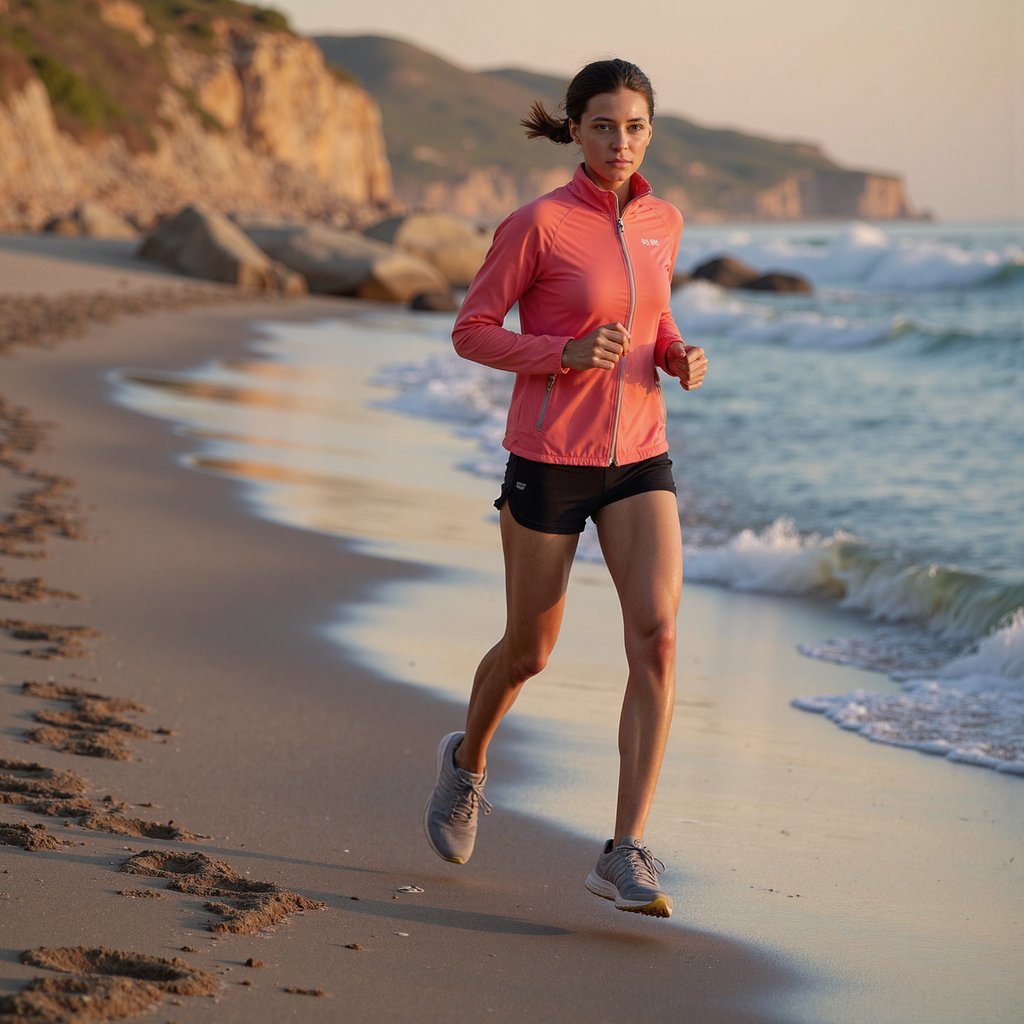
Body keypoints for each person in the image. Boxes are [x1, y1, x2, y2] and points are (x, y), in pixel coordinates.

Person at [423, 58, 707, 919]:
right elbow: (471, 332)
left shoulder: (665, 221)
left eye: (635, 127)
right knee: (529, 652)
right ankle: (467, 762)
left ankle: (625, 851)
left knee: (657, 638)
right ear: (575, 131)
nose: (620, 142)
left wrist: (673, 354)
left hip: (640, 456)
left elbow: (652, 315)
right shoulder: (536, 225)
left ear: (650, 132)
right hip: (548, 456)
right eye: (603, 126)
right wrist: (561, 353)